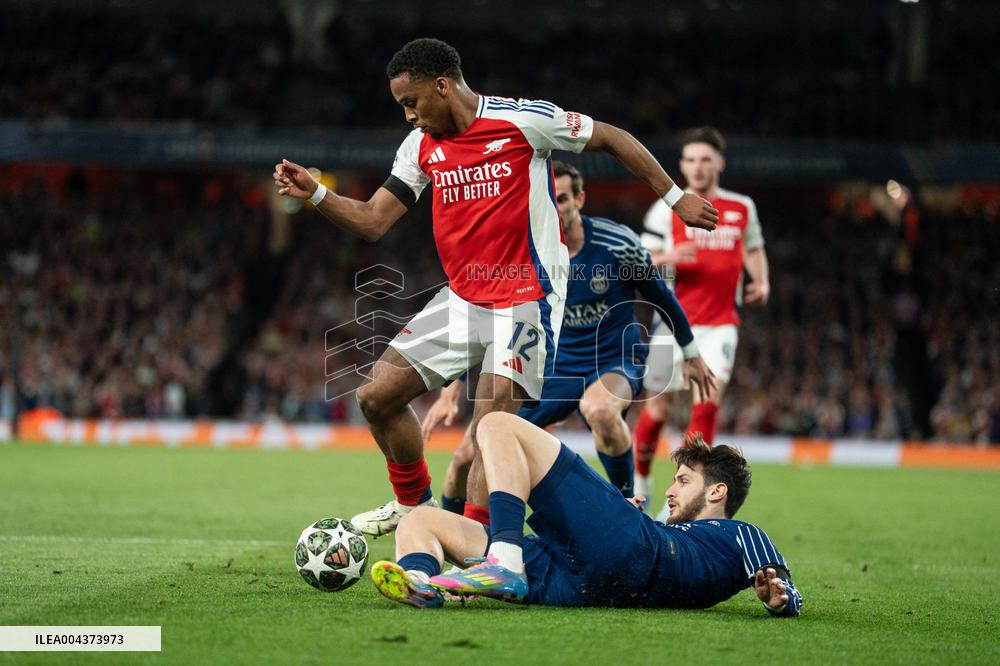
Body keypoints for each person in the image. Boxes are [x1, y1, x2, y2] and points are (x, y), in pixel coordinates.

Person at [274, 38, 719, 537]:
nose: (408, 116)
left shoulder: (522, 121)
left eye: (411, 102)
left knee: (490, 426)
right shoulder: (420, 146)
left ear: (443, 86)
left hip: (525, 299)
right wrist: (316, 193)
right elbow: (374, 220)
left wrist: (676, 198)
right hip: (463, 298)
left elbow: (612, 137)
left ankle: (480, 544)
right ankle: (414, 506)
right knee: (376, 395)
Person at [422, 162, 715, 518]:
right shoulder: (519, 253)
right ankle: (457, 537)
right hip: (551, 369)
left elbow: (660, 296)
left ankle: (628, 505)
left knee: (600, 409)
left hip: (613, 359)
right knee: (468, 453)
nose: (555, 207)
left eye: (562, 198)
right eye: (547, 199)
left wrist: (691, 353)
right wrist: (451, 387)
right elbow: (479, 314)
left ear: (579, 198)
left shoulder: (616, 244)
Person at [369, 412, 803, 615]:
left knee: (497, 425)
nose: (670, 490)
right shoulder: (675, 532)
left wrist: (780, 598)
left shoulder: (744, 534)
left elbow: (789, 592)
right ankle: (423, 585)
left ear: (718, 492)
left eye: (684, 480)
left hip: (636, 552)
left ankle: (502, 559)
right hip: (582, 583)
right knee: (417, 521)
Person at [632, 127, 770, 509]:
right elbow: (640, 262)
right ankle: (640, 486)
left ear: (719, 163)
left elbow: (754, 248)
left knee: (706, 405)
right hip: (671, 325)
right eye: (691, 159)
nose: (697, 166)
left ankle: (678, 503)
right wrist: (670, 259)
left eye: (705, 159)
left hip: (720, 324)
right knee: (657, 410)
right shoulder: (665, 208)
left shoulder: (741, 207)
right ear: (681, 165)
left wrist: (762, 280)